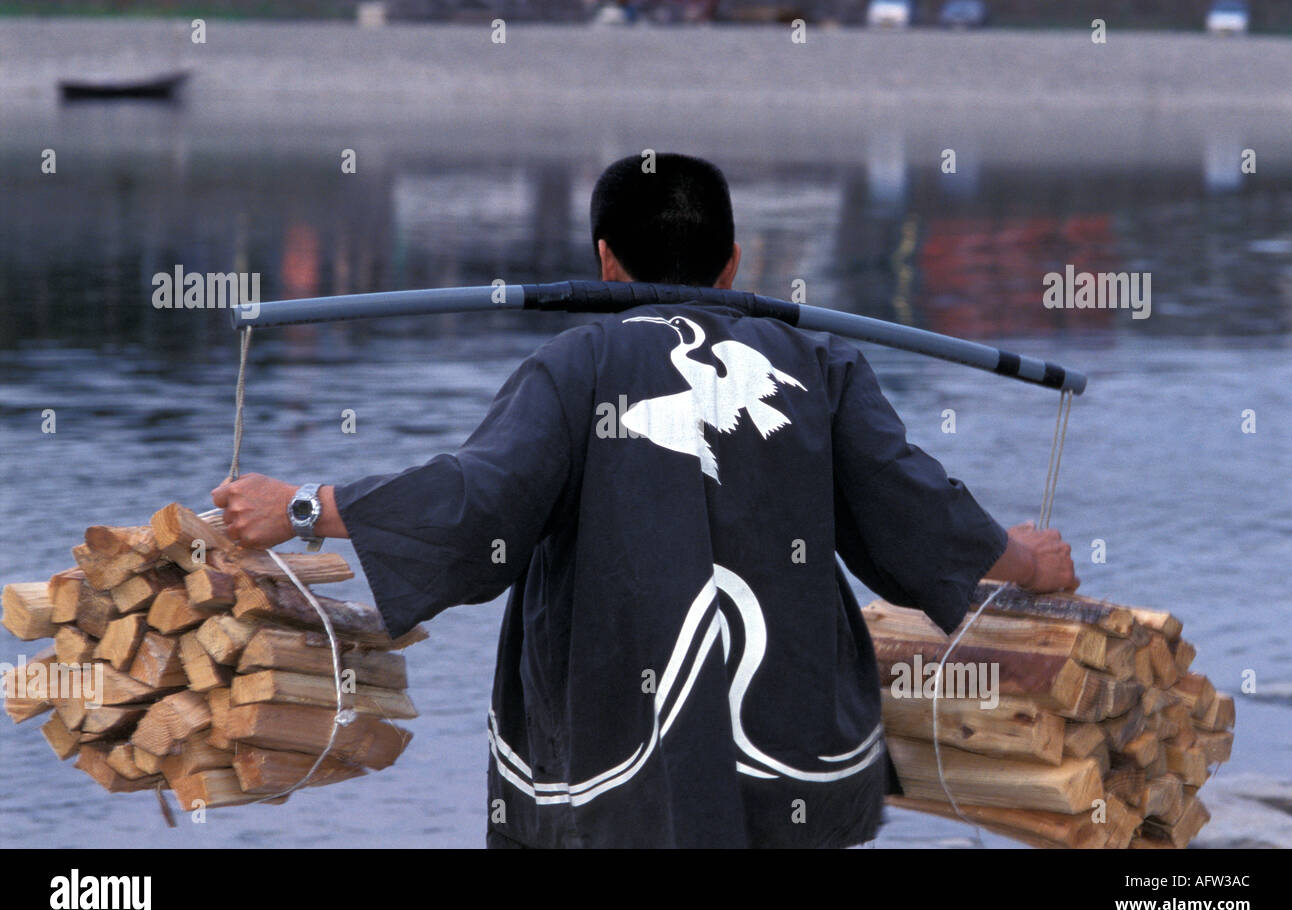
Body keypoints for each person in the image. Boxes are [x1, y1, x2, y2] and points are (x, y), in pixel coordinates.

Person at [212, 153, 1078, 848]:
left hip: (611, 774)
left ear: (604, 262)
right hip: (795, 768)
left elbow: (482, 502)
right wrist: (1026, 559)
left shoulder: (577, 364)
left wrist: (303, 508)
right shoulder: (817, 364)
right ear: (735, 264)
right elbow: (913, 509)